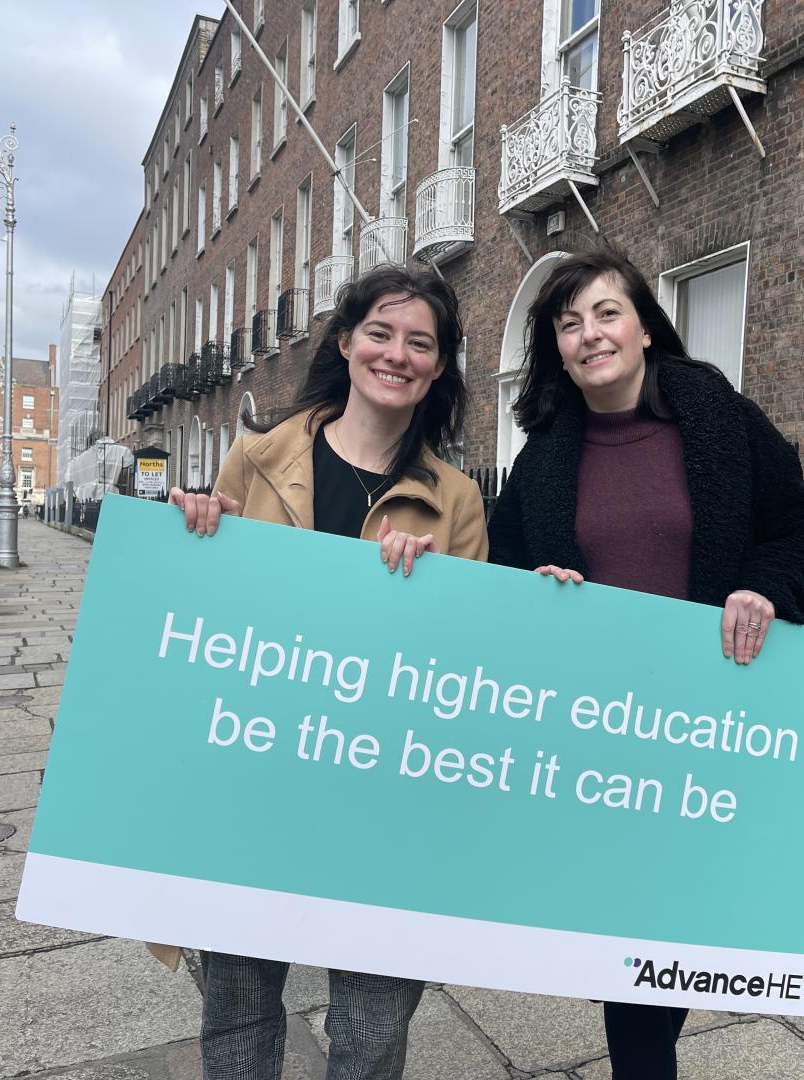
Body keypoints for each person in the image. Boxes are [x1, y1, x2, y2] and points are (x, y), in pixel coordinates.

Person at [486, 248, 804, 1078]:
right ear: (557, 351)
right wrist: (535, 590)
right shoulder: (541, 459)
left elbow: (800, 533)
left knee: (664, 939)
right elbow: (499, 580)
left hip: (701, 730)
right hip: (598, 741)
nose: (588, 335)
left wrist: (761, 588)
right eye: (568, 324)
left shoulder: (722, 421)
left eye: (606, 313)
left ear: (645, 326)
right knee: (627, 945)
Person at [166, 265, 488, 1080]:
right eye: (381, 332)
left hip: (386, 793)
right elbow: (208, 624)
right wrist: (200, 535)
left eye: (422, 342)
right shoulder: (253, 459)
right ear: (345, 342)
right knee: (238, 1014)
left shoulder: (456, 501)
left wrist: (434, 592)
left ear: (440, 367)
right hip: (258, 778)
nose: (398, 354)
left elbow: (468, 665)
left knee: (373, 1028)